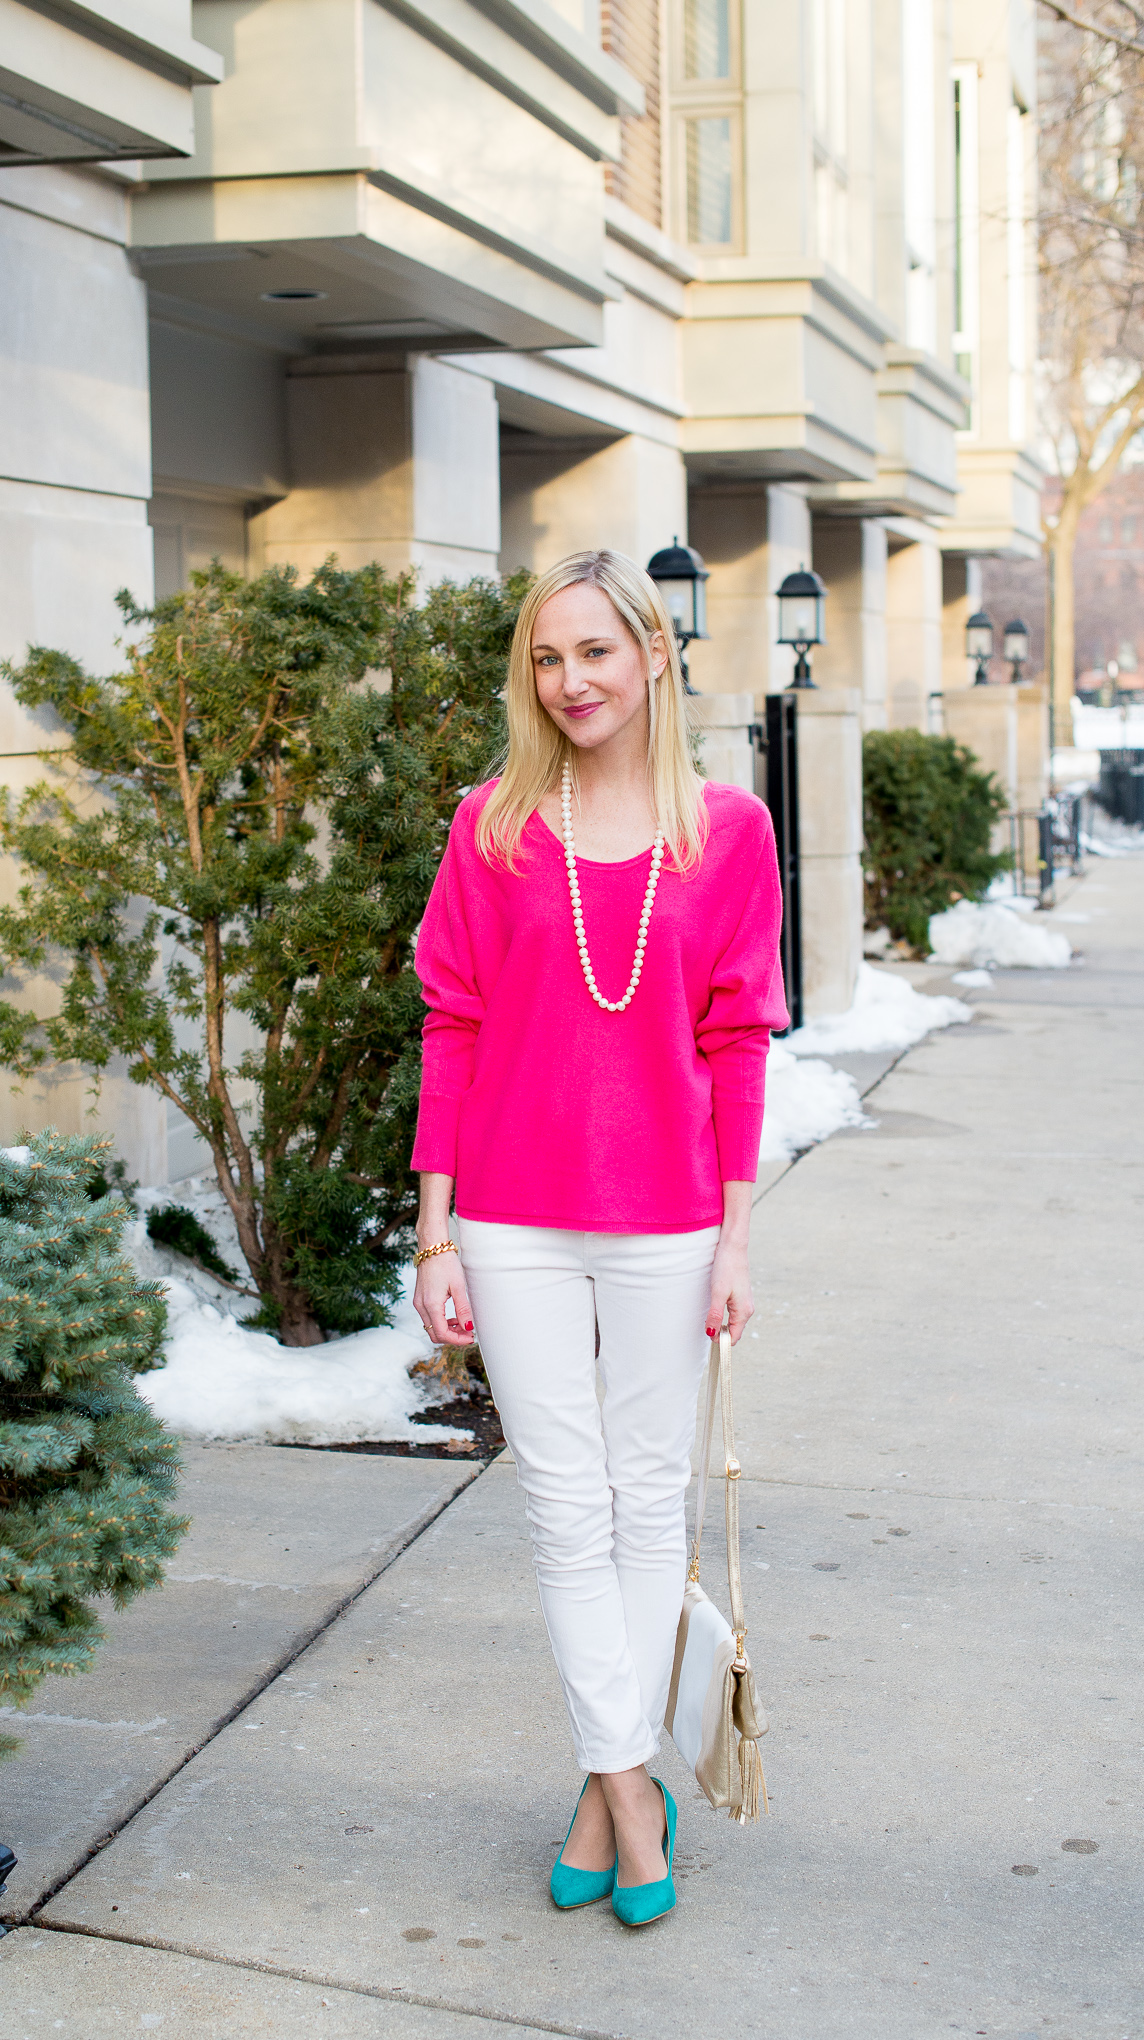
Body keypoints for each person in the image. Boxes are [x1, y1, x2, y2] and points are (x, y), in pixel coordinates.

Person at [410, 548, 787, 1928]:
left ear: (655, 659)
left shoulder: (729, 832)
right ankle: (635, 1791)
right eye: (546, 660)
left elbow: (739, 1041)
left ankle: (601, 1785)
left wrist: (736, 1241)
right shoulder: (495, 825)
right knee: (564, 1506)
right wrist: (434, 1230)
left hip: (671, 1221)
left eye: (596, 654)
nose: (570, 682)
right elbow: (450, 1024)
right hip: (507, 1217)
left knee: (646, 1503)